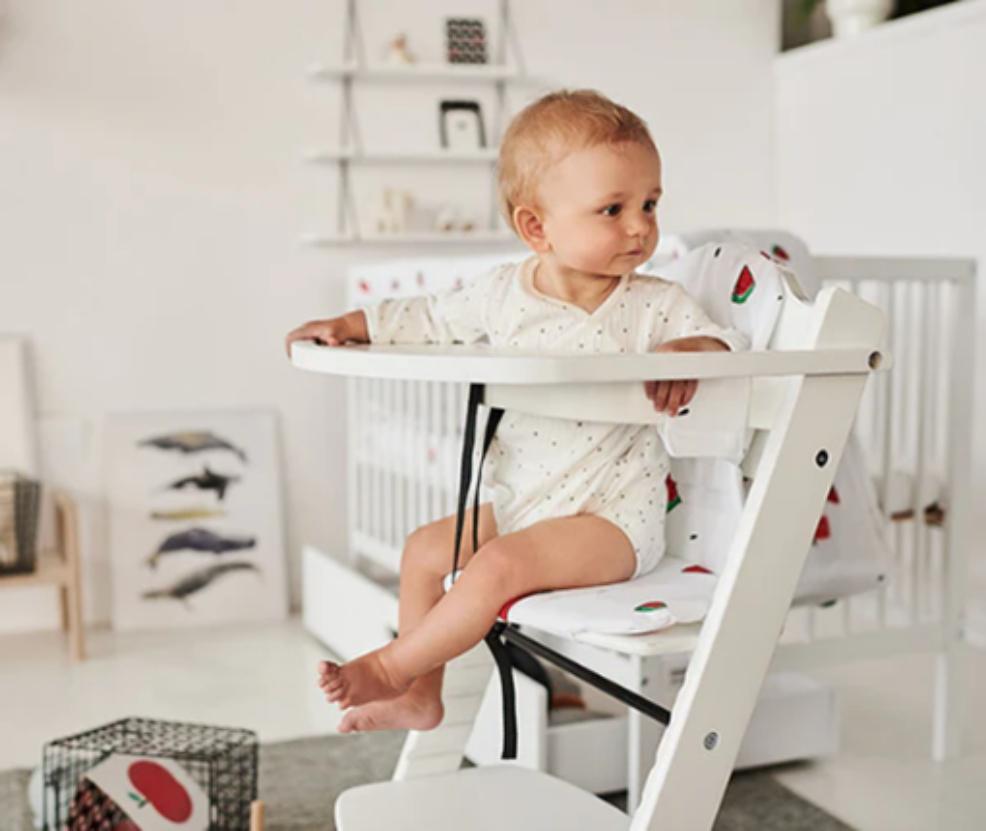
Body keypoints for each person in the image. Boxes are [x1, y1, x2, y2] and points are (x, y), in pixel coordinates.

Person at [284, 89, 746, 734]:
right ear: (537, 227)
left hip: (609, 522)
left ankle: (394, 666)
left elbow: (728, 348)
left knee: (494, 566)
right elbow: (429, 318)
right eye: (612, 209)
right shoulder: (502, 295)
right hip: (527, 501)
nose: (640, 226)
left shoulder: (655, 305)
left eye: (649, 204)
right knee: (424, 549)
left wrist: (691, 351)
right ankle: (422, 697)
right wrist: (353, 323)